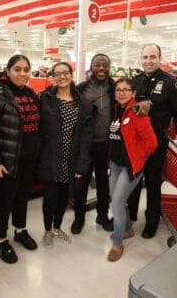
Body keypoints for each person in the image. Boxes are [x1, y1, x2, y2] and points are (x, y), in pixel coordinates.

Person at [0, 55, 40, 264]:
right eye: (17, 69)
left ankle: (20, 230)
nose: (23, 73)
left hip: (28, 159)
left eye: (26, 69)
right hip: (6, 161)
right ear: (7, 71)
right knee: (2, 203)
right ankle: (1, 240)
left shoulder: (31, 93)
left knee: (21, 198)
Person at [38, 62, 94, 246]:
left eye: (65, 73)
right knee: (50, 198)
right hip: (49, 157)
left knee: (64, 197)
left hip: (71, 159)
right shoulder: (45, 98)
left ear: (71, 74)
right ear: (52, 77)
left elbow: (87, 136)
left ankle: (57, 227)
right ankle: (47, 230)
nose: (62, 77)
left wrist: (82, 164)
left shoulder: (82, 102)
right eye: (57, 74)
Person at [127, 43, 177, 238]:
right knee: (133, 179)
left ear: (159, 58)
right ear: (141, 58)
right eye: (145, 57)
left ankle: (152, 220)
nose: (149, 61)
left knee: (154, 181)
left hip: (157, 140)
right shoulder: (135, 80)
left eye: (152, 57)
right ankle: (131, 216)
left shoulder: (169, 82)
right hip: (135, 141)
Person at [107, 77, 157, 262]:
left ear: (133, 93)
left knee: (117, 203)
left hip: (131, 167)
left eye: (126, 90)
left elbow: (152, 143)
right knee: (117, 198)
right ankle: (127, 229)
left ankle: (117, 243)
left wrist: (139, 157)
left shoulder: (137, 112)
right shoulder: (115, 110)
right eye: (118, 89)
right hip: (116, 164)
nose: (121, 93)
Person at [70, 53, 115, 234]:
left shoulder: (114, 88)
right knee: (82, 183)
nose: (101, 68)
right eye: (98, 65)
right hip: (85, 146)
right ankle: (79, 218)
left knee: (103, 183)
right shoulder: (81, 89)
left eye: (105, 65)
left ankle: (102, 216)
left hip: (106, 144)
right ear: (91, 67)